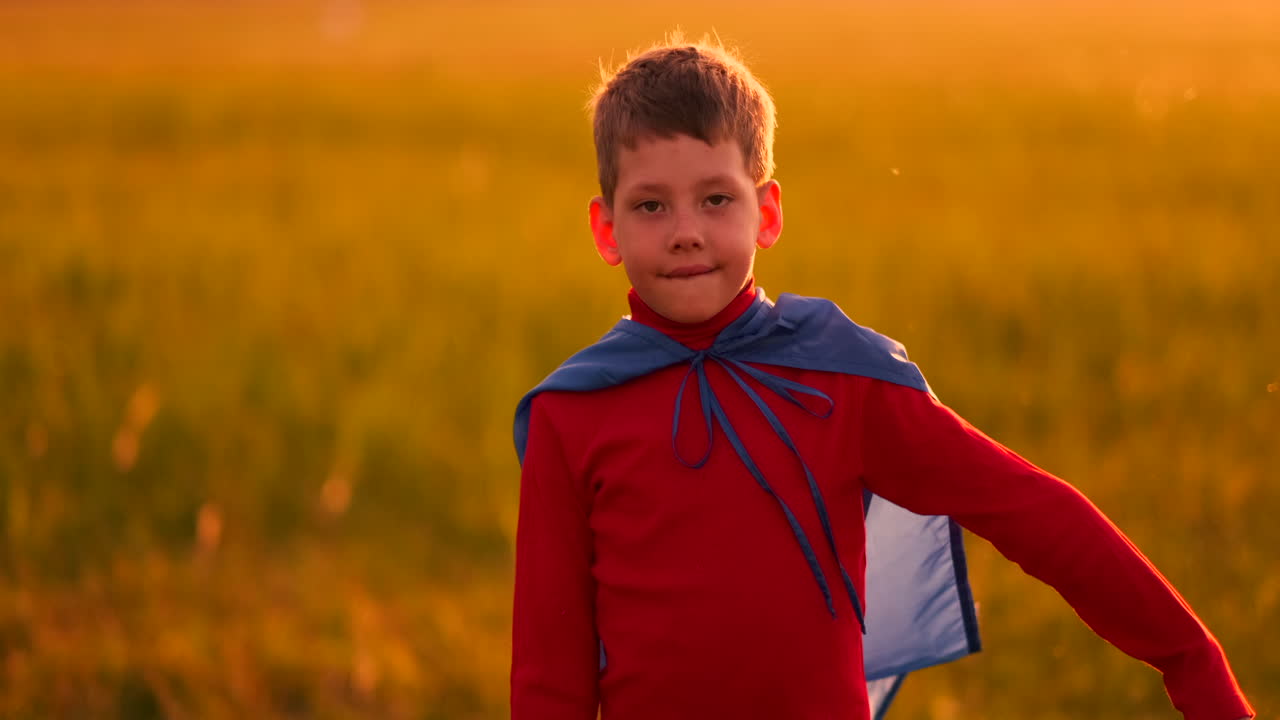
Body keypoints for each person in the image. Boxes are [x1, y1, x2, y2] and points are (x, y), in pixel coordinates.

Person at [509, 37, 1254, 720]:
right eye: (650, 205)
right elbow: (551, 668)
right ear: (606, 229)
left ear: (766, 212)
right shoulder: (572, 415)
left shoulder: (840, 380)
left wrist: (1192, 661)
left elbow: (1031, 512)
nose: (686, 230)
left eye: (716, 198)